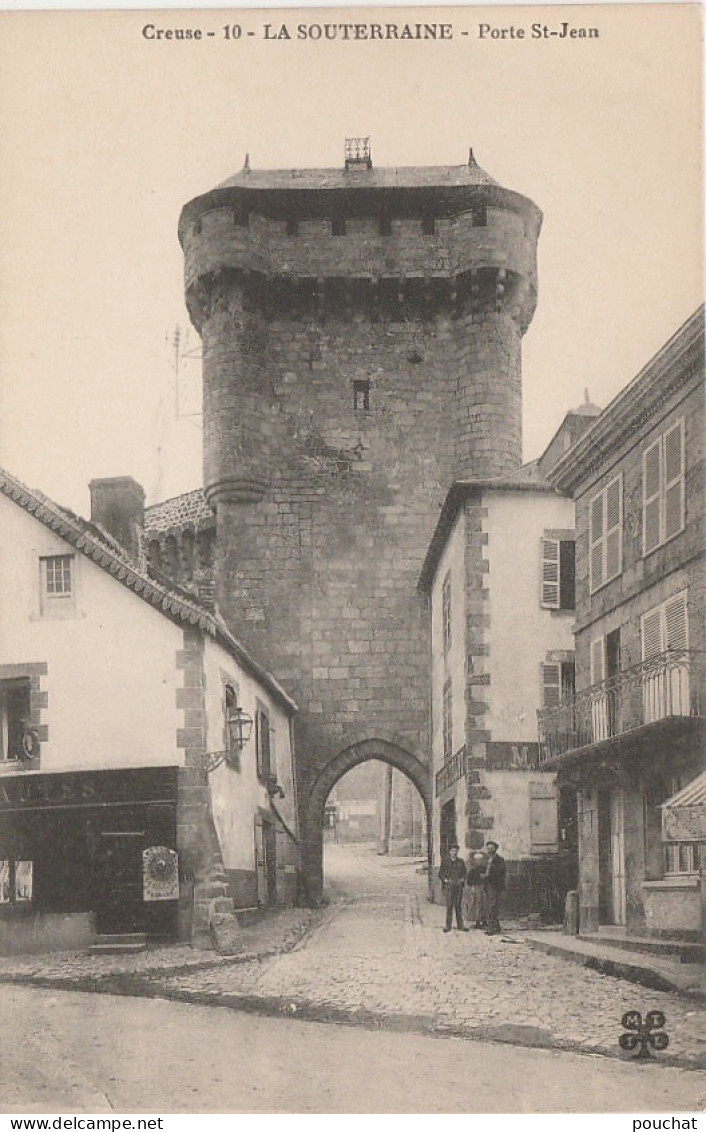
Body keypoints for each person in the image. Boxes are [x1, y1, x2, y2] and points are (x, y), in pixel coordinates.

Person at [438, 842, 468, 932]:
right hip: (449, 887)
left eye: (456, 851)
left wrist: (462, 879)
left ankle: (460, 925)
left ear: (457, 852)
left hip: (458, 886)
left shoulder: (461, 862)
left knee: (458, 906)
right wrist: (446, 880)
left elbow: (465, 873)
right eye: (452, 851)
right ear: (449, 852)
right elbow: (440, 873)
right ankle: (448, 926)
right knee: (449, 906)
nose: (454, 852)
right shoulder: (445, 862)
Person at [482, 840, 506, 935]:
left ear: (495, 849)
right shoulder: (486, 859)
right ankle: (496, 926)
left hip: (496, 885)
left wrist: (488, 875)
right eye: (488, 848)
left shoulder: (499, 860)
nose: (489, 850)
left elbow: (500, 872)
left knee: (493, 906)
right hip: (487, 885)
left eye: (491, 848)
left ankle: (491, 928)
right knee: (490, 906)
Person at [463, 850, 487, 929]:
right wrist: (472, 886)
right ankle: (477, 921)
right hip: (476, 888)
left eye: (480, 860)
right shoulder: (473, 870)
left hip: (484, 888)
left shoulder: (485, 868)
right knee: (476, 905)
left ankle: (484, 920)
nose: (478, 861)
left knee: (484, 904)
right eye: (477, 860)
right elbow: (469, 880)